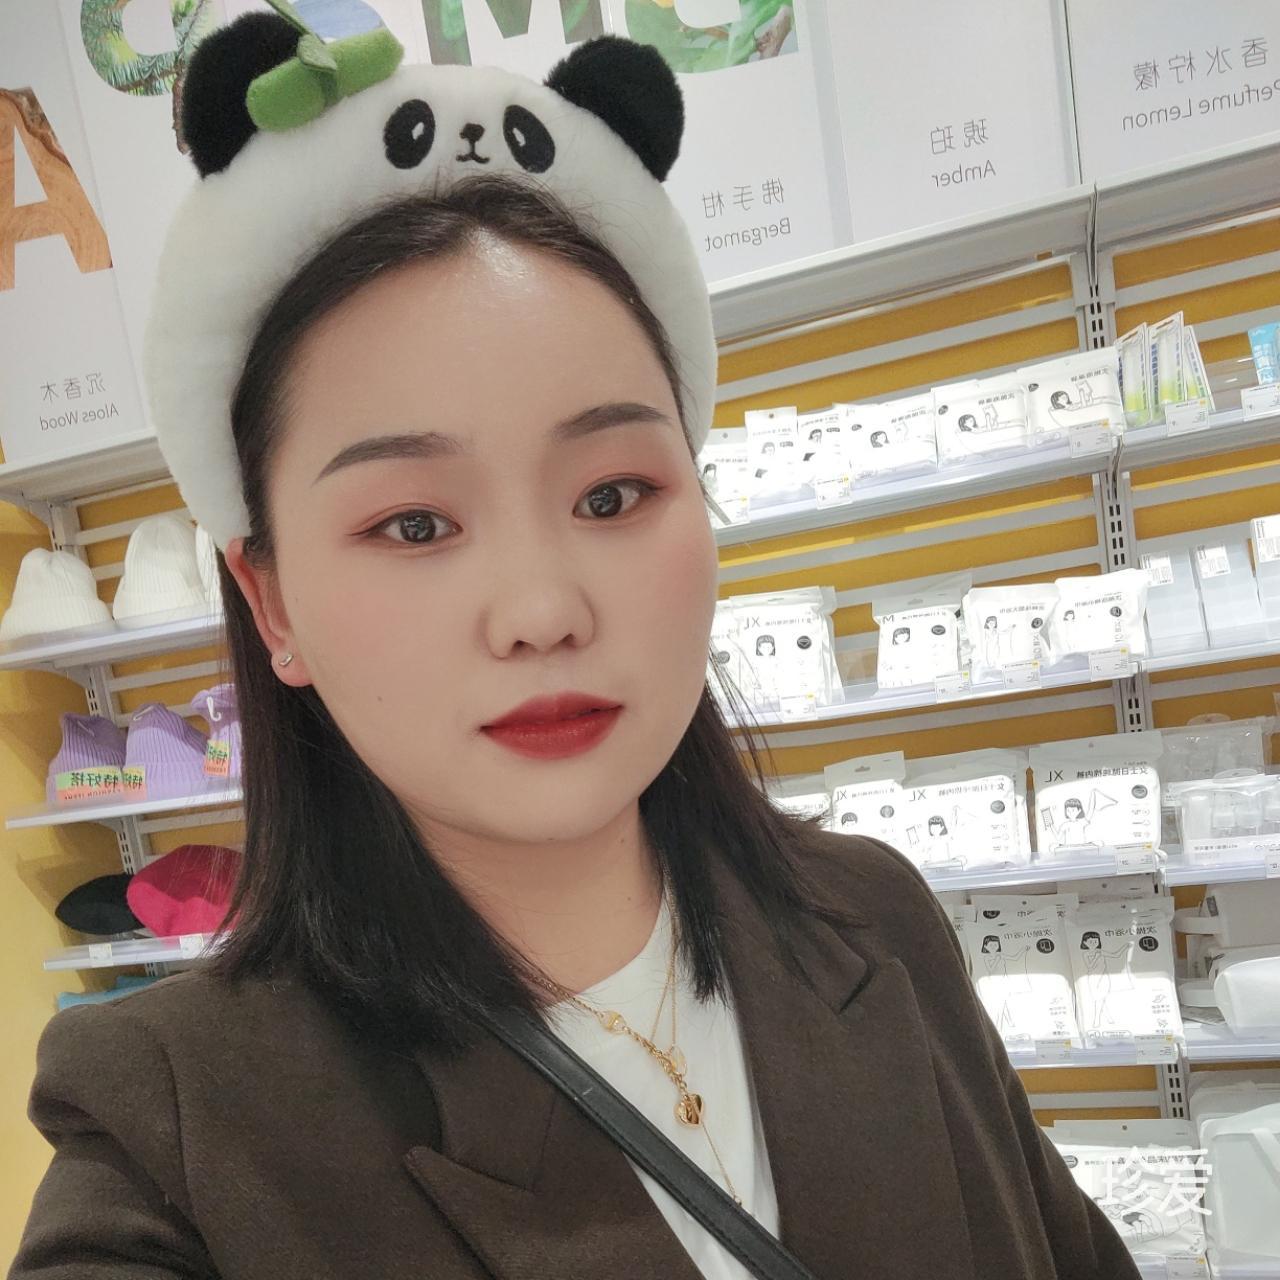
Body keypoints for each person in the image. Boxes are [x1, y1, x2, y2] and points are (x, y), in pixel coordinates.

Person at [10, 14, 1141, 1280]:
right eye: (414, 522)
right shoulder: (175, 1128)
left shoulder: (874, 915)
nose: (542, 608)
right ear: (271, 603)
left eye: (611, 494)